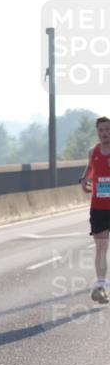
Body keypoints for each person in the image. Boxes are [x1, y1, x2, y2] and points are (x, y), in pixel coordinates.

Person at [80, 115, 110, 305]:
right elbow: (89, 171)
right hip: (99, 207)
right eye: (101, 130)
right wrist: (84, 181)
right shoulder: (94, 152)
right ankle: (101, 286)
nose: (105, 133)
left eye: (108, 129)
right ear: (97, 132)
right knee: (101, 248)